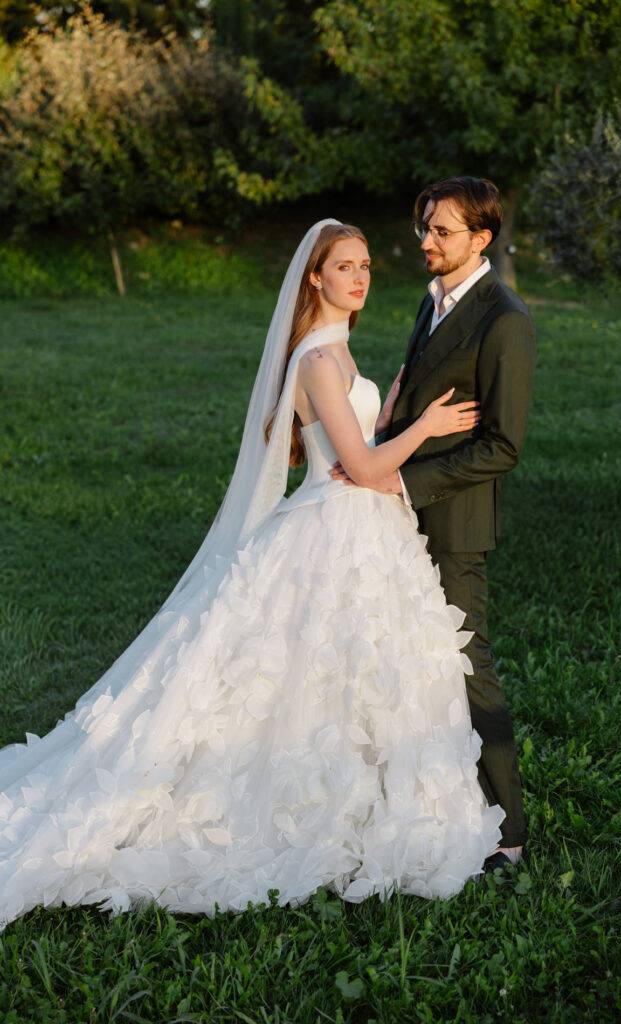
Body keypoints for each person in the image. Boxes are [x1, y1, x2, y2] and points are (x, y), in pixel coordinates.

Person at [0, 220, 504, 929]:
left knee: (350, 671)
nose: (360, 278)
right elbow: (360, 468)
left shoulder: (333, 352)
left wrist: (389, 408)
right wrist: (427, 428)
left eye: (365, 265)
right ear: (314, 278)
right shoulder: (317, 359)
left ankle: (359, 790)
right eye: (344, 267)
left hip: (357, 525)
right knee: (312, 667)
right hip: (339, 524)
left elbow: (352, 441)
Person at [333, 178, 536, 871]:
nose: (425, 240)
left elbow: (502, 445)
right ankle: (419, 798)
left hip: (452, 523)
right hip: (398, 519)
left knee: (465, 665)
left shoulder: (503, 320)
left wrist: (400, 480)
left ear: (480, 239)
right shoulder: (437, 299)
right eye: (424, 226)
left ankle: (507, 831)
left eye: (440, 231)